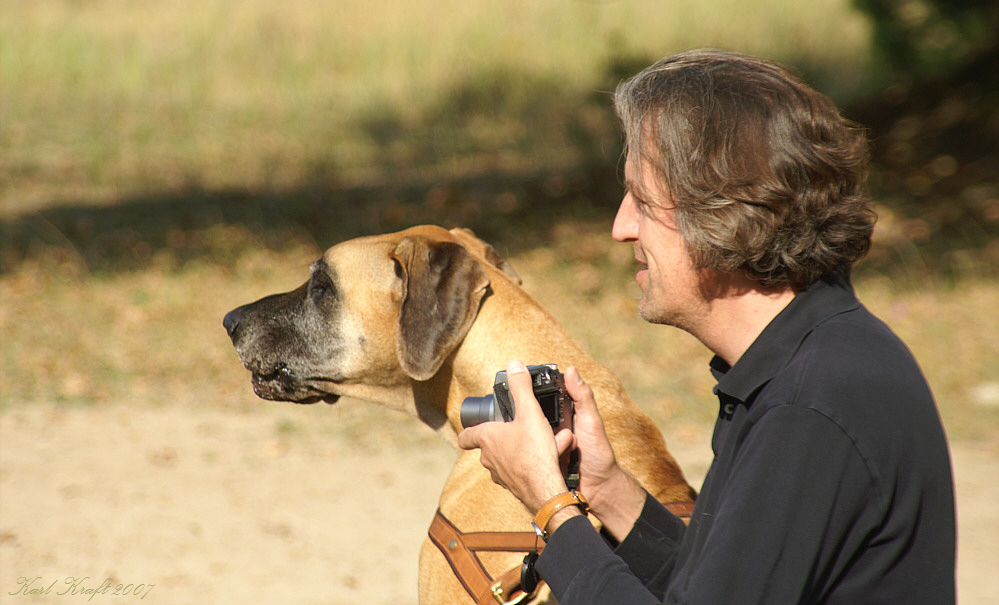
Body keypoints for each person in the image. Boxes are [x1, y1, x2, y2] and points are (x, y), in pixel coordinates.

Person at [457, 49, 956, 604]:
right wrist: (607, 492)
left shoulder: (809, 408)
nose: (621, 227)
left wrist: (551, 508)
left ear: (724, 216)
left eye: (642, 201)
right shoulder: (816, 362)